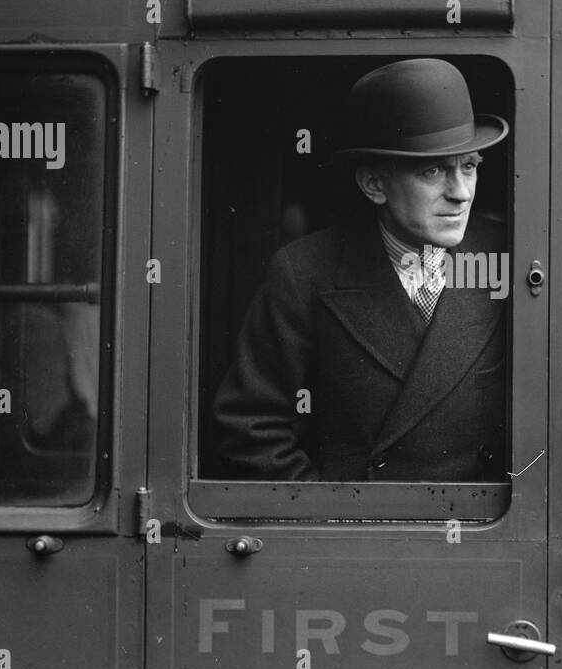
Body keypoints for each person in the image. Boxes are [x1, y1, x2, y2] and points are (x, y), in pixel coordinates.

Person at [212, 58, 509, 481]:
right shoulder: (304, 272)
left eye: (469, 166)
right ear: (373, 184)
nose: (460, 193)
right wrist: (331, 522)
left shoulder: (509, 257)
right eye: (432, 170)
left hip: (482, 535)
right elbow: (251, 429)